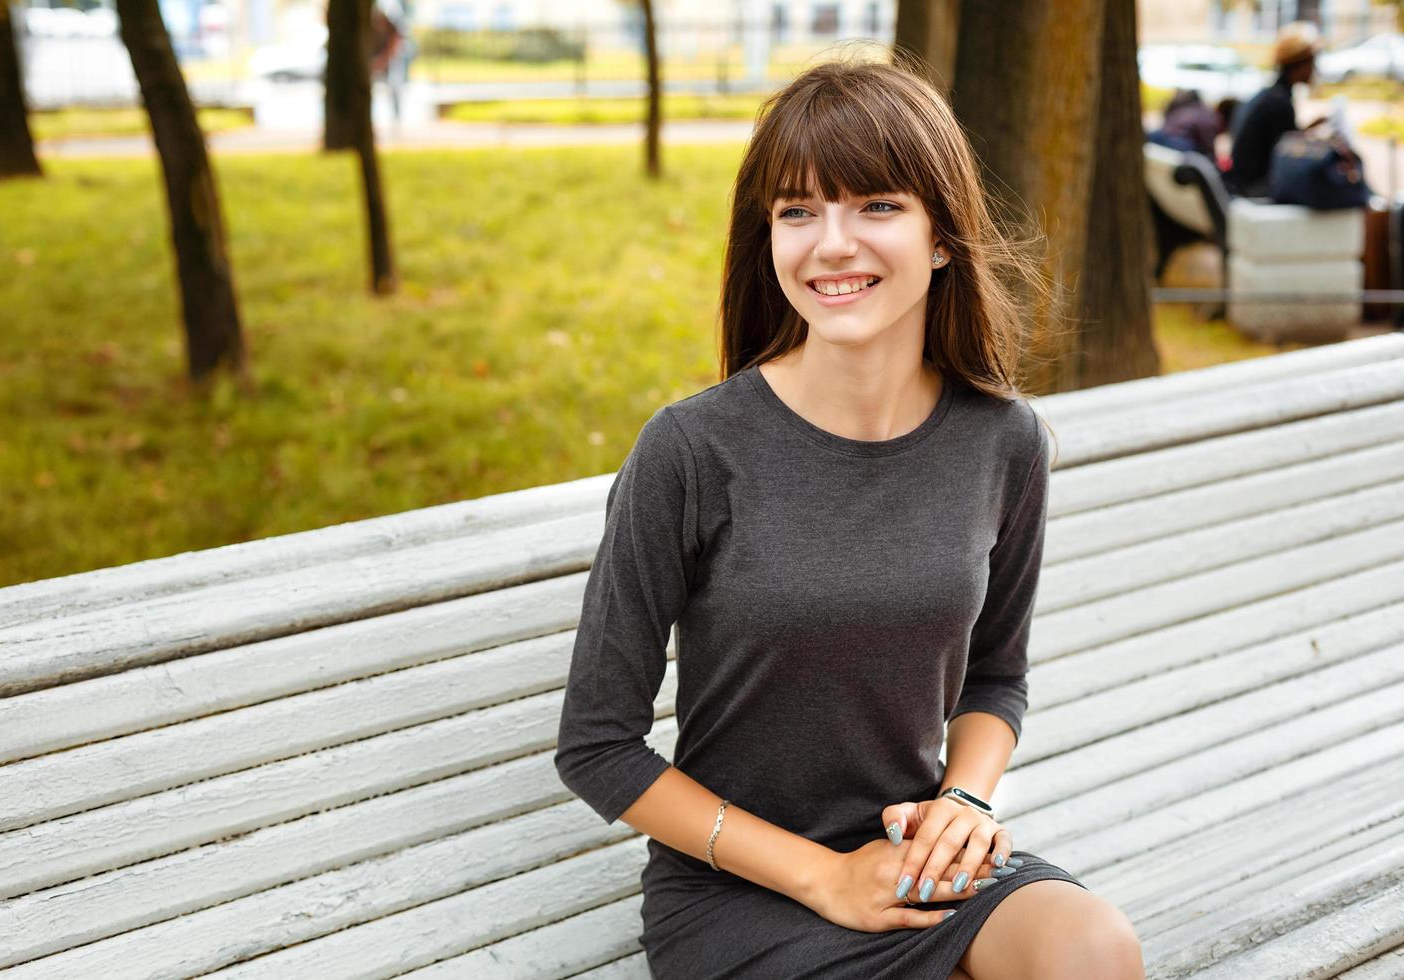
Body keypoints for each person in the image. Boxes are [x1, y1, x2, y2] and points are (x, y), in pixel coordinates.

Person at [553, 53, 1146, 980]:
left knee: (1094, 948)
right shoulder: (692, 451)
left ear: (942, 235)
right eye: (798, 210)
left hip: (915, 864)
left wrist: (966, 805)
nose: (832, 243)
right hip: (740, 890)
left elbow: (996, 680)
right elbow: (597, 746)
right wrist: (825, 878)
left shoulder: (1004, 441)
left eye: (876, 205)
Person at [1226, 20, 1327, 198]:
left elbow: (1277, 142)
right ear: (1300, 64)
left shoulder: (1270, 96)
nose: (1315, 69)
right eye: (1312, 62)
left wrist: (1307, 130)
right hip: (1254, 190)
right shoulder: (1279, 103)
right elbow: (1287, 160)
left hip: (1242, 184)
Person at [1147, 88, 1235, 164]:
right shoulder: (1214, 119)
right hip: (1172, 139)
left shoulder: (1203, 110)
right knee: (1198, 154)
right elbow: (1207, 146)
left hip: (1160, 133)